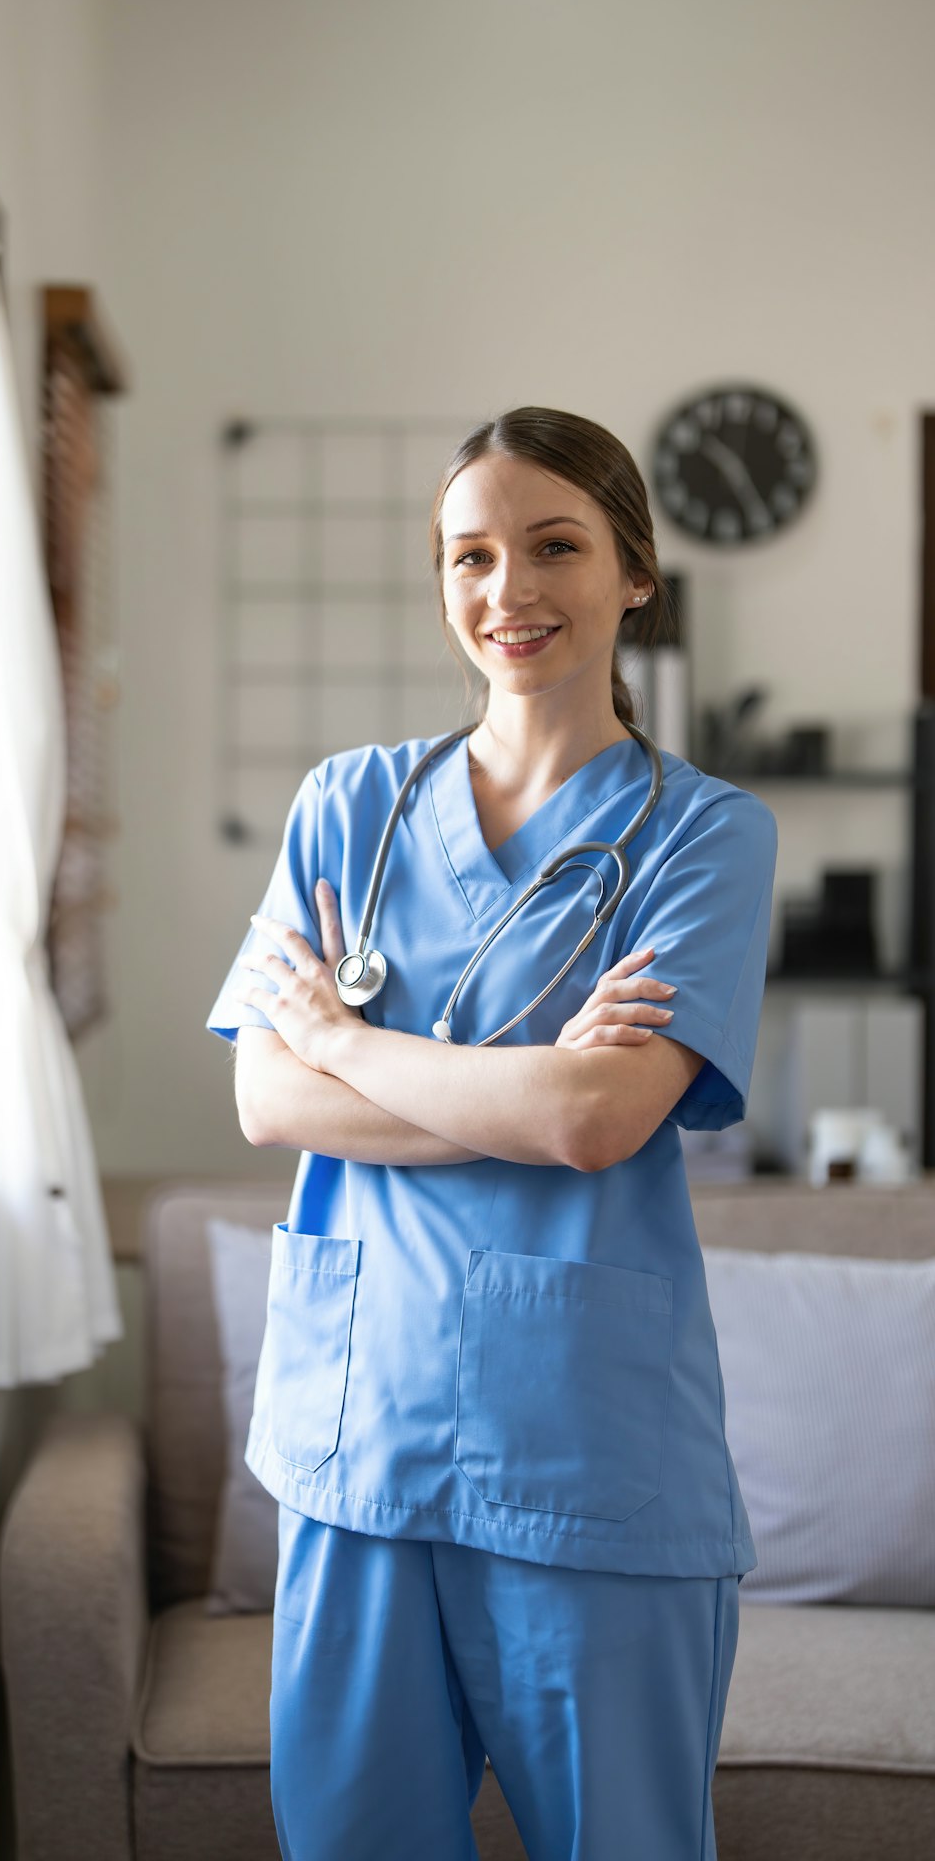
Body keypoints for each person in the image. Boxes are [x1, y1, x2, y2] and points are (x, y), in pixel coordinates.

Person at [204, 406, 778, 1861]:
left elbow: (599, 1122)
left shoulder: (700, 834)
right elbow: (266, 1100)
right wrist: (508, 1094)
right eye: (468, 556)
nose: (504, 592)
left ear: (634, 573)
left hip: (586, 1450)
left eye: (552, 547)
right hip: (357, 1442)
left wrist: (347, 1042)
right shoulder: (348, 808)